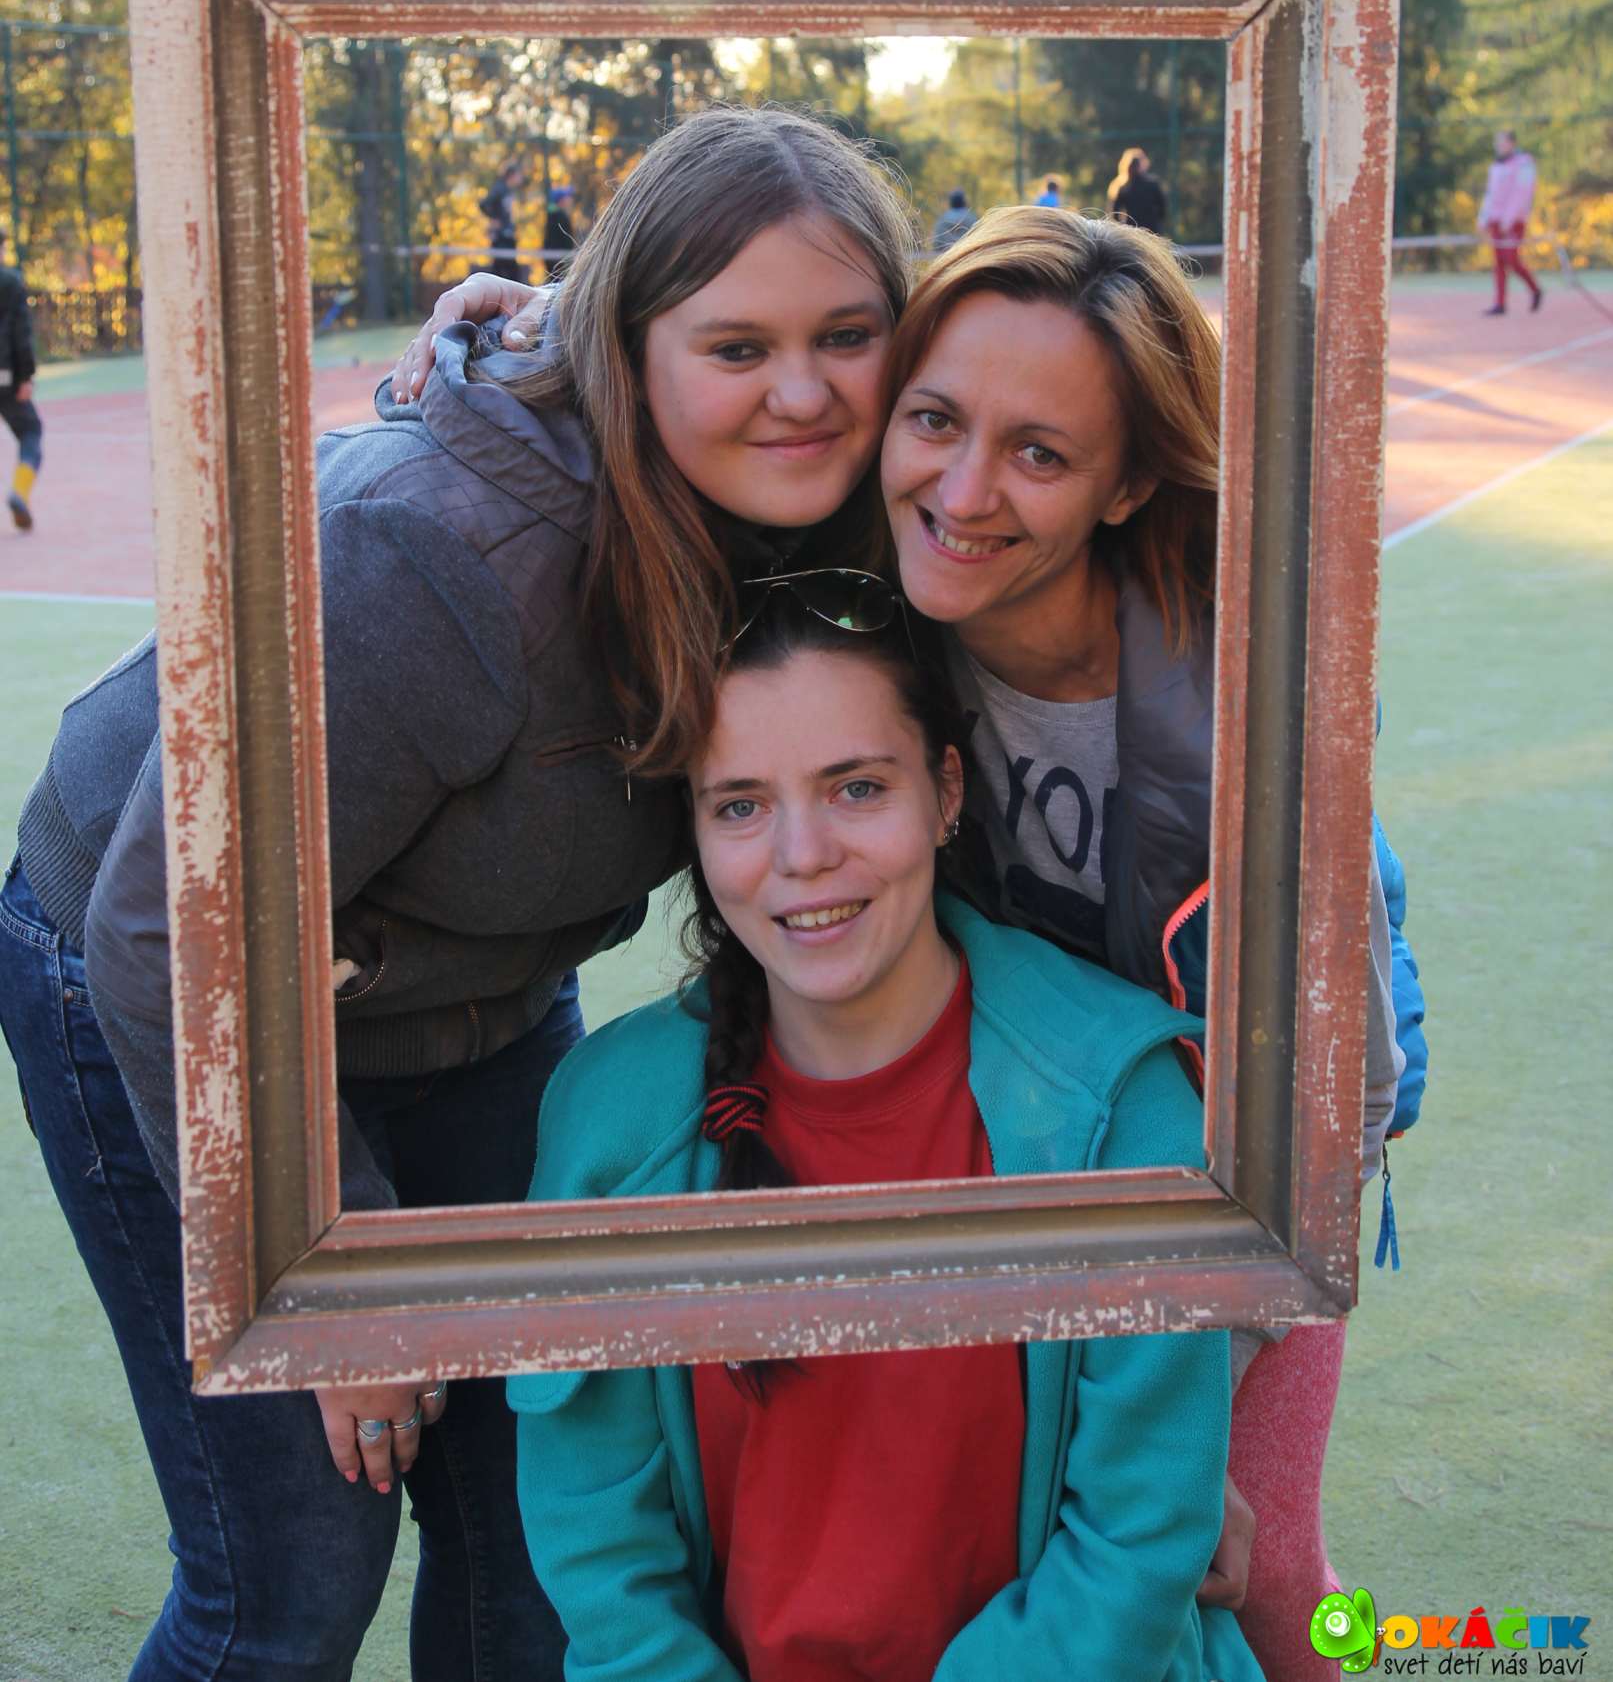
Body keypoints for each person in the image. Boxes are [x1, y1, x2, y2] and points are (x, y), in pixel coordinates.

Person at [0, 104, 915, 1682]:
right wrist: (328, 1274)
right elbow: (168, 933)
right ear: (634, 348)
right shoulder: (438, 558)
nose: (804, 387)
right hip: (168, 976)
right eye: (738, 344)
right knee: (296, 1570)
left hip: (464, 984)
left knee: (535, 1519)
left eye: (847, 335)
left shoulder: (809, 505)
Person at [509, 594, 1263, 1682]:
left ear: (946, 790)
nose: (803, 854)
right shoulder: (611, 1123)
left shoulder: (1119, 1105)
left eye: (856, 787)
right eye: (740, 805)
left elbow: (1131, 1545)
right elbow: (601, 1554)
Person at [877, 207, 1427, 1682]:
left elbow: (1340, 1102)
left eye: (1039, 453)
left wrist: (1180, 1407)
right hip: (1028, 1146)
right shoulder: (869, 611)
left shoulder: (1254, 698)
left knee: (1260, 1566)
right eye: (934, 419)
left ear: (1124, 484)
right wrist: (526, 332)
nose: (963, 490)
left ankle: (1438, 1655)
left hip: (1251, 1169)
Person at [1477, 128, 1543, 315]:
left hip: (1514, 221)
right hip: (1495, 220)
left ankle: (1535, 289)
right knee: (1498, 261)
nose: (1499, 146)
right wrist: (1483, 218)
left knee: (1511, 259)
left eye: (1503, 142)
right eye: (1497, 142)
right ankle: (1500, 303)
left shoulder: (1525, 164)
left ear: (1512, 143)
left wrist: (1509, 219)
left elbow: (1523, 193)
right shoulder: (1496, 166)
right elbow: (1490, 194)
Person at [1, 244, 42, 531]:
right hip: (5, 376)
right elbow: (21, 332)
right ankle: (19, 492)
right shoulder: (10, 282)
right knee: (31, 431)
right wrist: (25, 375)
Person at [481, 156, 529, 280]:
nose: (521, 178)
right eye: (519, 175)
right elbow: (484, 204)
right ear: (512, 175)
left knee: (505, 269)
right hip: (501, 236)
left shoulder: (508, 190)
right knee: (506, 270)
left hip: (507, 235)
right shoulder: (500, 189)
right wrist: (494, 219)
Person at [1107, 146, 1168, 235]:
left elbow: (1114, 214)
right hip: (1152, 231)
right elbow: (1162, 209)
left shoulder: (1122, 187)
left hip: (1131, 232)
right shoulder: (1152, 184)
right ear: (1142, 165)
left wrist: (1121, 230)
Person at [542, 182, 578, 275]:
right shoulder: (559, 216)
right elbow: (567, 238)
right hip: (558, 258)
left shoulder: (552, 215)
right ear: (561, 200)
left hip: (554, 257)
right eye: (567, 197)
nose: (570, 199)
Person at [932, 186, 977, 253]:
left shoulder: (943, 219)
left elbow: (937, 243)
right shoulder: (972, 218)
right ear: (963, 201)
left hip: (947, 256)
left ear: (951, 202)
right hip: (970, 255)